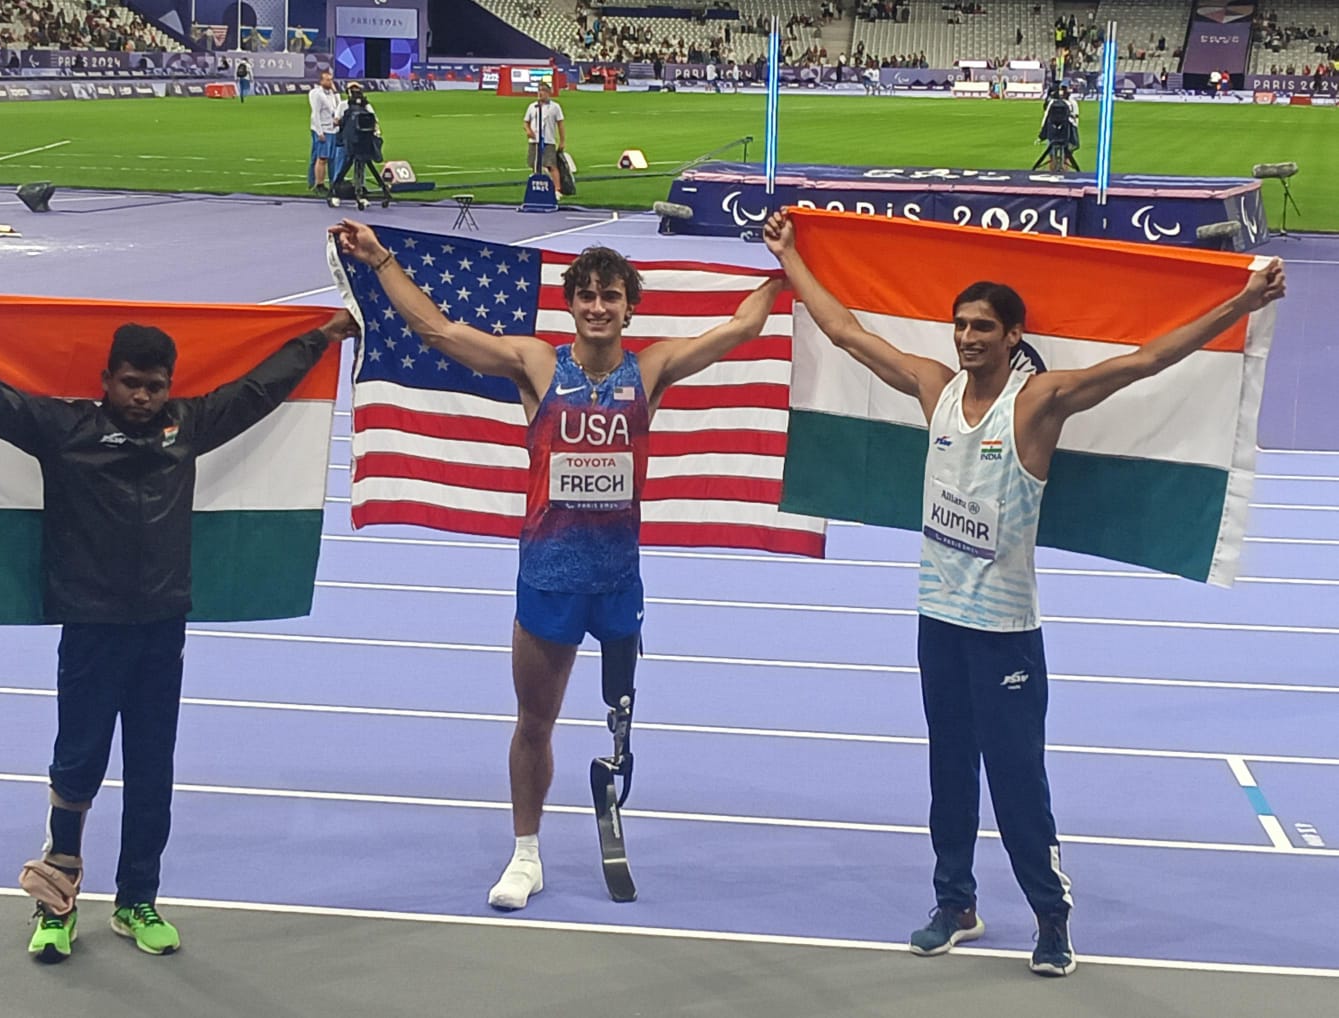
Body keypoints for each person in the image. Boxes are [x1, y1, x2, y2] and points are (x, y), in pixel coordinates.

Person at [764, 210, 1285, 977]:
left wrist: (1239, 305)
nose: (966, 337)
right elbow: (843, 331)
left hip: (1004, 629)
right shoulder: (932, 388)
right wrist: (789, 255)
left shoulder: (1037, 402)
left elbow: (1142, 363)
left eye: (982, 326)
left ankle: (1049, 916)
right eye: (958, 325)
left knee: (1015, 782)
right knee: (947, 768)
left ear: (1013, 337)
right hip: (936, 619)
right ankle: (955, 903)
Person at [0, 300, 358, 962]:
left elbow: (260, 390)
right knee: (78, 763)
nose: (142, 397)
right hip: (92, 626)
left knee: (151, 769)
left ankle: (136, 901)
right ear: (107, 379)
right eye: (131, 383)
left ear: (169, 385)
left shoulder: (190, 425)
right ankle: (55, 902)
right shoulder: (64, 429)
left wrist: (321, 336)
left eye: (154, 385)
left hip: (162, 626)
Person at [329, 218, 783, 912]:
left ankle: (595, 802)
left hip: (617, 577)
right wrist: (380, 257)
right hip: (548, 574)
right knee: (534, 721)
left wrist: (792, 261)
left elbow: (742, 327)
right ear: (570, 305)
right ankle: (525, 854)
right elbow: (440, 332)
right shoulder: (538, 366)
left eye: (610, 297)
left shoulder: (650, 368)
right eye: (586, 297)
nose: (597, 308)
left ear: (630, 307)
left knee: (617, 717)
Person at [328, 82, 391, 210]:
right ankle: (336, 191)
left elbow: (373, 120)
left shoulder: (366, 106)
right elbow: (337, 121)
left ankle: (360, 190)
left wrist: (376, 132)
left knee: (360, 167)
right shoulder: (343, 105)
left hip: (362, 142)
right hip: (346, 142)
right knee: (341, 166)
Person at [523, 79, 566, 194]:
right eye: (539, 91)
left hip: (548, 140)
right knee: (534, 164)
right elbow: (526, 122)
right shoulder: (532, 107)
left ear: (548, 92)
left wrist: (562, 141)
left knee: (551, 164)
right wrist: (528, 131)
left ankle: (557, 189)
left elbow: (560, 124)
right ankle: (538, 186)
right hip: (534, 141)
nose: (540, 93)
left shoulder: (555, 107)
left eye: (543, 91)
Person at [309, 68, 340, 193]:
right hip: (323, 130)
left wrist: (335, 91)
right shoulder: (318, 94)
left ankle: (333, 183)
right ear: (321, 81)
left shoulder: (331, 94)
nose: (330, 82)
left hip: (332, 129)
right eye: (327, 80)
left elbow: (338, 107)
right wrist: (319, 132)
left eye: (331, 80)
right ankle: (318, 184)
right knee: (321, 158)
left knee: (332, 158)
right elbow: (315, 114)